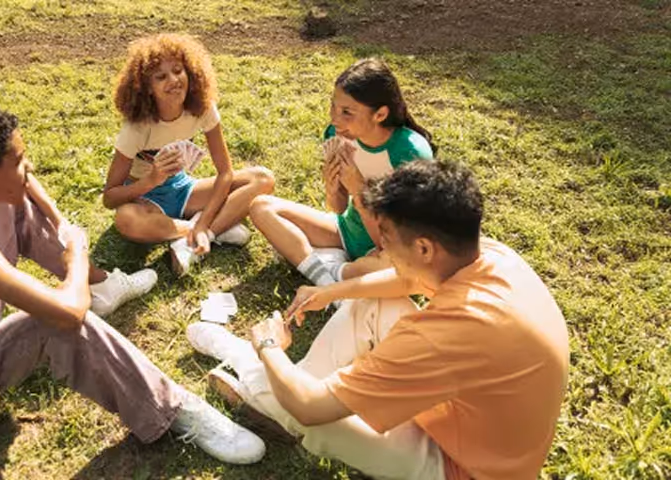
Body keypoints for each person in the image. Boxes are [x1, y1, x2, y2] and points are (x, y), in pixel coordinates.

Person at [0, 105, 266, 464]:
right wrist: (75, 254)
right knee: (58, 323)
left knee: (17, 205)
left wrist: (60, 225)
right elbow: (67, 313)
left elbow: (27, 187)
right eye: (20, 160)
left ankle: (103, 288)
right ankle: (175, 409)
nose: (28, 167)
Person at [187, 161, 569, 479]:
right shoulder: (488, 255)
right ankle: (276, 387)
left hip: (462, 468)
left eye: (386, 239)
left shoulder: (444, 335)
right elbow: (408, 278)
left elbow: (310, 407)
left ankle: (247, 367)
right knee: (368, 302)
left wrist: (268, 346)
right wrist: (330, 292)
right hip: (477, 424)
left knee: (306, 413)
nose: (379, 247)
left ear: (423, 247)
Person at [250, 58, 434, 287]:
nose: (335, 119)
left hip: (389, 248)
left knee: (402, 269)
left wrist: (359, 191)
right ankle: (329, 277)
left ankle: (332, 268)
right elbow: (338, 208)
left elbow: (391, 242)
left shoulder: (410, 152)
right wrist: (332, 187)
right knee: (261, 207)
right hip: (346, 232)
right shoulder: (337, 136)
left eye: (347, 112)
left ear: (380, 114)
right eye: (333, 107)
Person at [103, 33, 275, 276]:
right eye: (161, 77)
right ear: (147, 88)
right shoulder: (137, 128)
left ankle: (204, 232)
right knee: (125, 219)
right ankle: (213, 229)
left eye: (177, 70)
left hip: (184, 189)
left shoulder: (202, 108)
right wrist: (151, 180)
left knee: (262, 179)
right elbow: (109, 197)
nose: (173, 80)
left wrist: (204, 225)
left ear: (190, 72)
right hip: (145, 200)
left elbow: (225, 172)